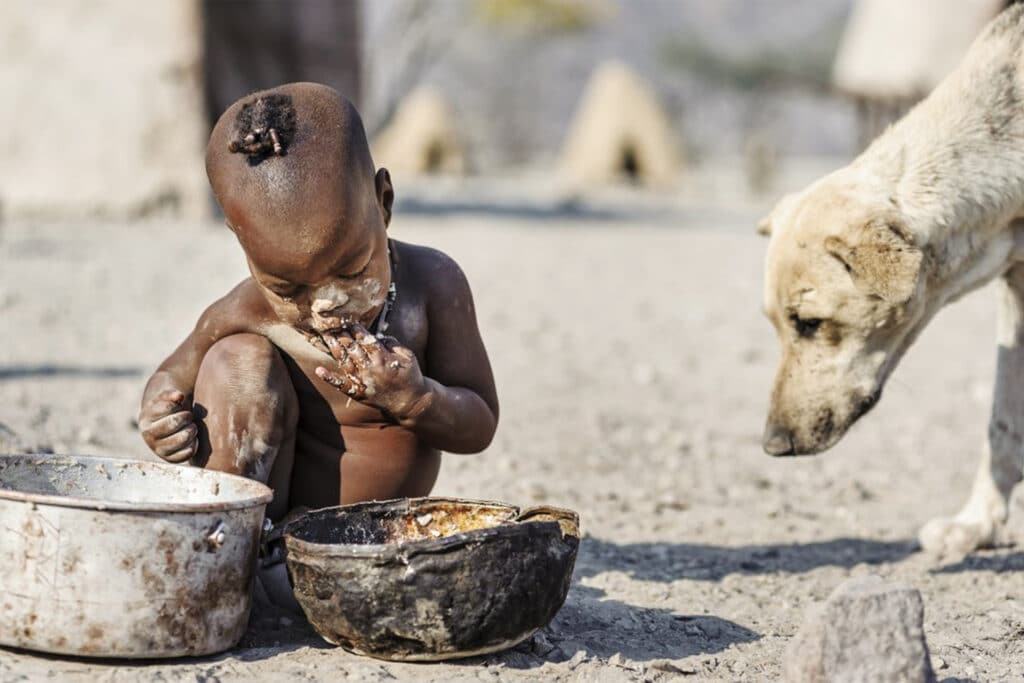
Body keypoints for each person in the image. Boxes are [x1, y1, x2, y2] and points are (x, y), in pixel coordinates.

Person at [138, 83, 498, 528]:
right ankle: (231, 538)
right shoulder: (250, 307)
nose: (325, 305)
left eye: (350, 272)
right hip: (267, 532)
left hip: (369, 540)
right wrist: (161, 416)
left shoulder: (432, 286)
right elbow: (172, 376)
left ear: (383, 202)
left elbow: (480, 422)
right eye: (289, 290)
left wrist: (416, 397)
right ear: (244, 244)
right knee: (234, 359)